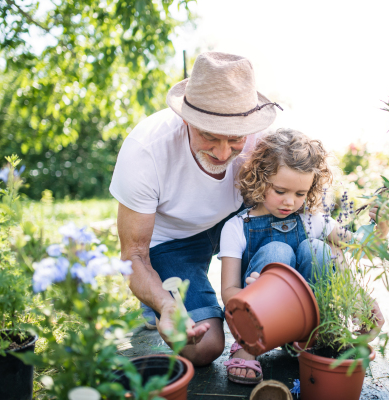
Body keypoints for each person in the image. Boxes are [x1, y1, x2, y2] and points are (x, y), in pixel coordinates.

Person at [110, 52, 283, 366]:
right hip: (173, 242)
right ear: (186, 118)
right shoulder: (145, 151)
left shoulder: (263, 142)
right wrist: (166, 305)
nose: (221, 152)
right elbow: (132, 254)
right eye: (208, 135)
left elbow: (298, 200)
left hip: (236, 221)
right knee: (204, 347)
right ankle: (159, 297)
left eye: (234, 139)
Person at [218, 128, 385, 384]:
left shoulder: (312, 220)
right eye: (281, 191)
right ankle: (247, 347)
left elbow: (357, 244)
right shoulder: (237, 226)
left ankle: (314, 338)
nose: (290, 202)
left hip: (305, 324)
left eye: (300, 194)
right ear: (260, 179)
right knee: (277, 251)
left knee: (317, 249)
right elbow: (228, 290)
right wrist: (247, 295)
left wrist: (381, 228)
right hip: (260, 318)